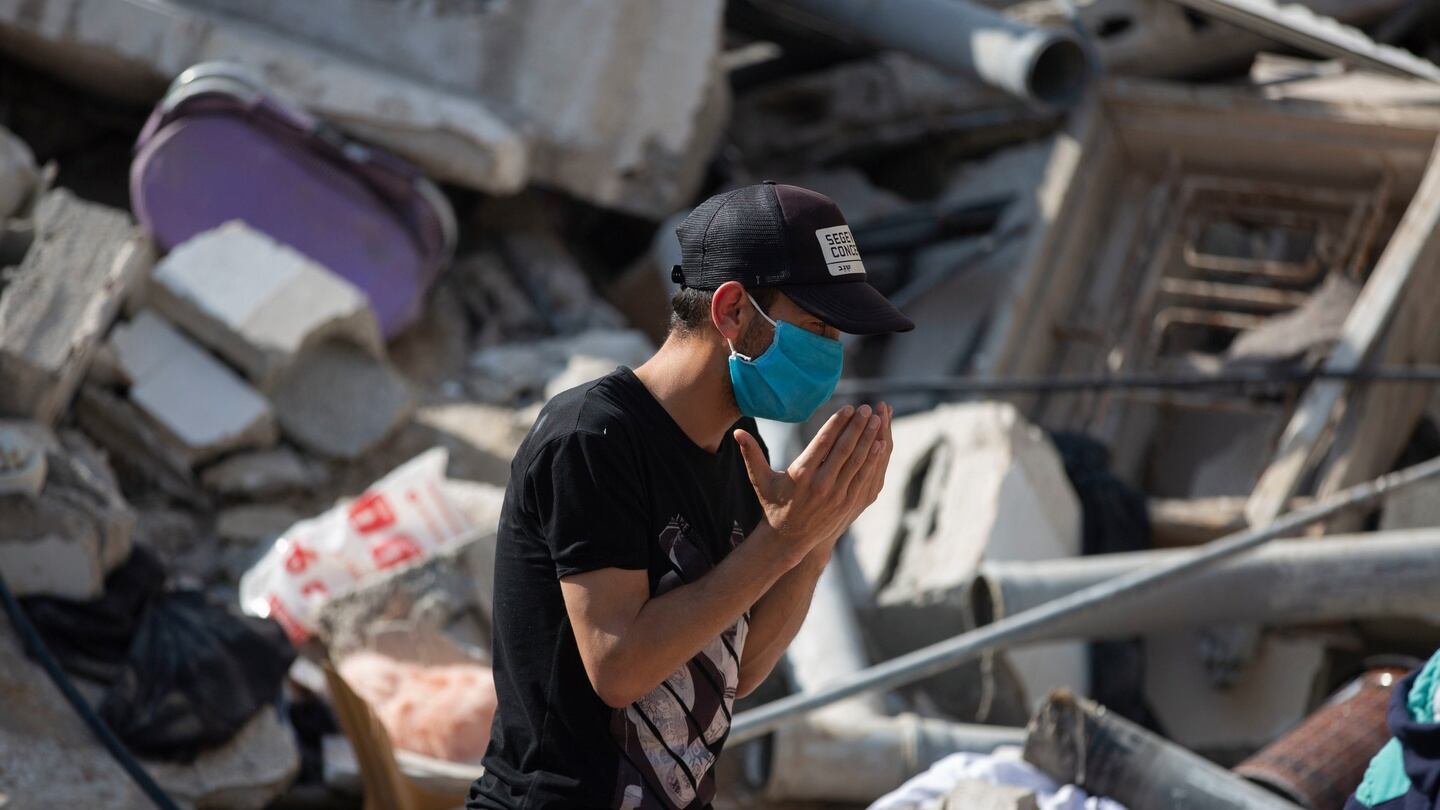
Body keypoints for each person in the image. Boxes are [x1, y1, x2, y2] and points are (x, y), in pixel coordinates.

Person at [468, 181, 914, 810]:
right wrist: (782, 539)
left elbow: (741, 669)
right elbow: (619, 667)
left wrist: (817, 537)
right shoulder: (593, 438)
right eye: (817, 325)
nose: (830, 353)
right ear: (732, 310)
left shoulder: (738, 442)